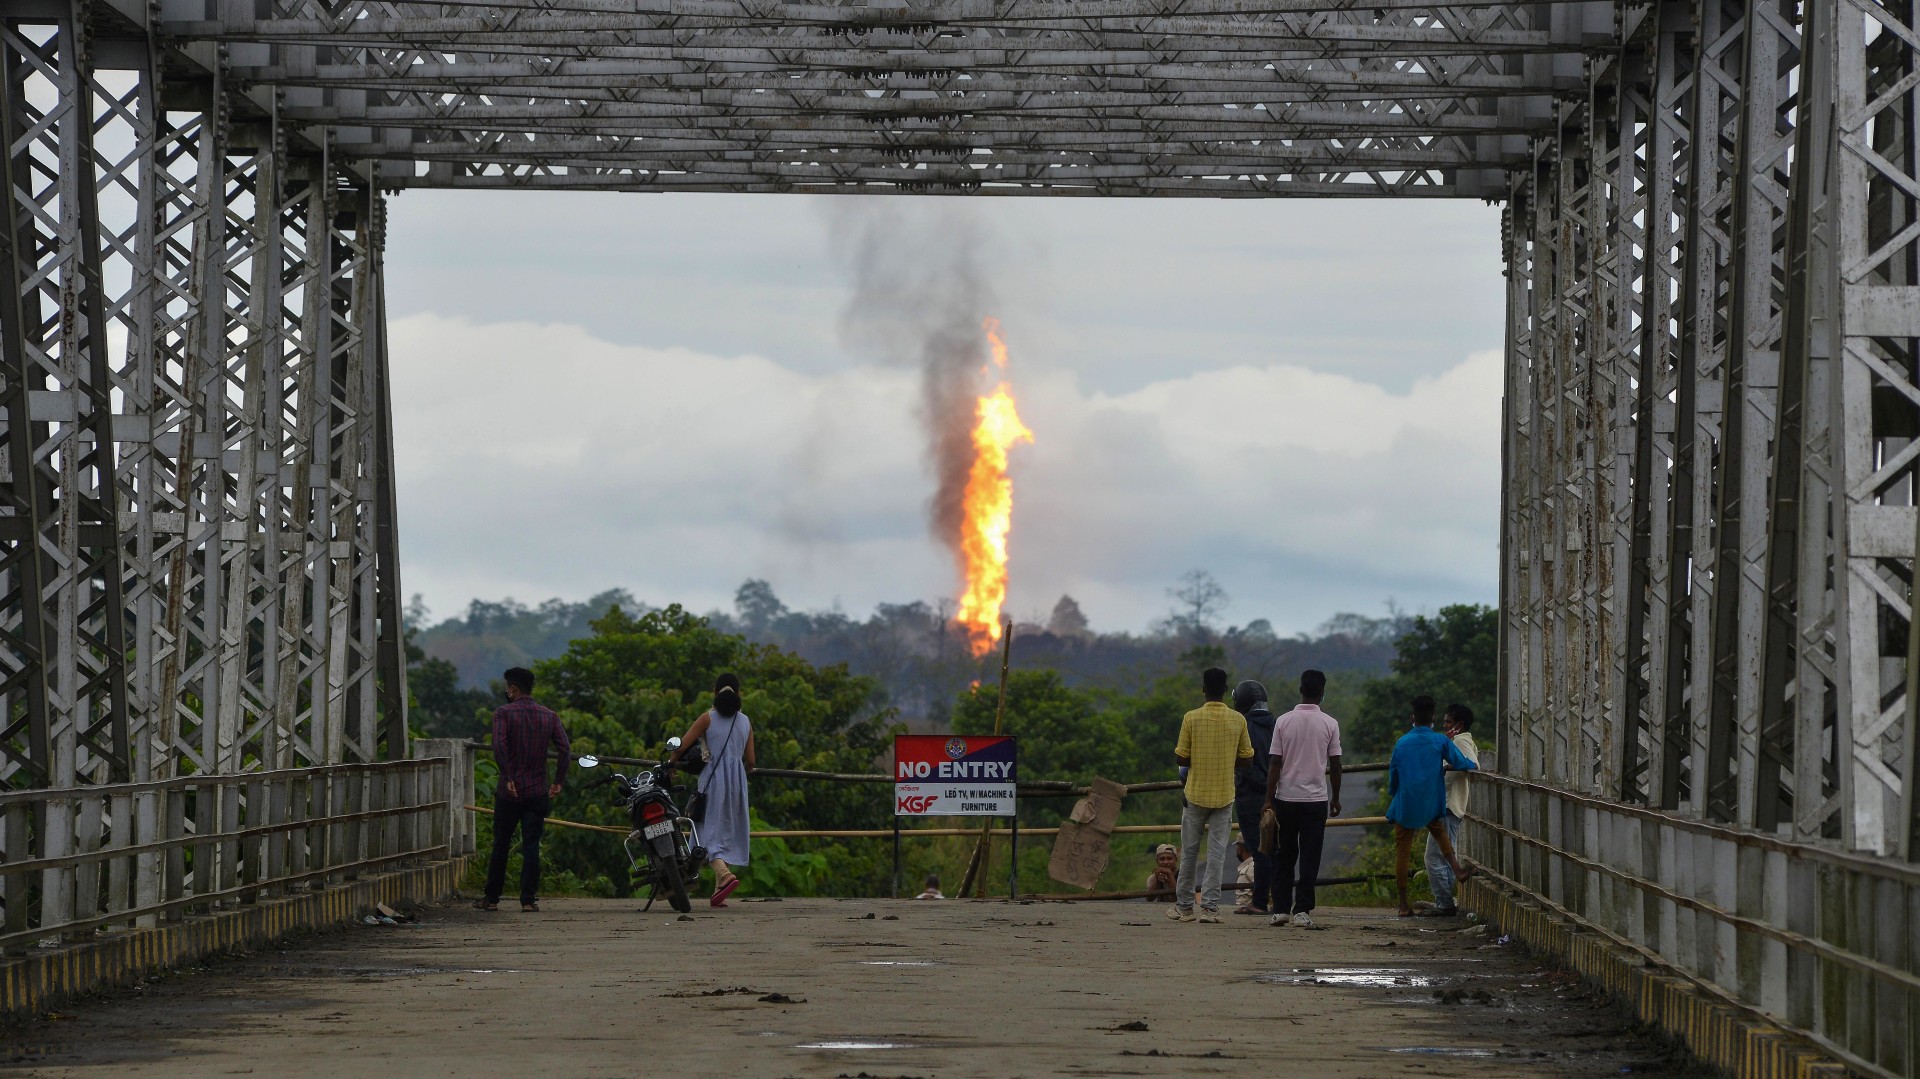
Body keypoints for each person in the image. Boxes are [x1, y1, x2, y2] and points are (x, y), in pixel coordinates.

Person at [481, 666, 571, 913]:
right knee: (531, 844)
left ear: (513, 689)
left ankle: (491, 898)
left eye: (507, 688)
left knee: (501, 843)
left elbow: (499, 745)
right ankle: (528, 900)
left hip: (509, 791)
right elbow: (565, 749)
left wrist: (508, 775)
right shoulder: (549, 716)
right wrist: (558, 781)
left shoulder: (503, 713)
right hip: (538, 790)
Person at [1169, 667, 1254, 924]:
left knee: (1190, 852)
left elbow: (1181, 757)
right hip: (1225, 794)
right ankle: (1209, 908)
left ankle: (1184, 907)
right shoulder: (1238, 720)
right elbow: (1247, 759)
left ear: (1203, 689)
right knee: (1217, 854)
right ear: (1226, 690)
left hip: (1195, 793)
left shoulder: (1191, 718)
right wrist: (1226, 759)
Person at [668, 676, 757, 907]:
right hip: (737, 782)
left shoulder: (708, 718)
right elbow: (751, 760)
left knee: (704, 828)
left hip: (712, 780)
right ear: (739, 694)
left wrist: (671, 764)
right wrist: (738, 774)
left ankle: (724, 874)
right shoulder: (745, 722)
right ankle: (720, 886)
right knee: (727, 827)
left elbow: (681, 745)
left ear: (714, 692)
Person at [1264, 669, 1342, 929]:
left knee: (1284, 855)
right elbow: (1335, 764)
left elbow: (1275, 762)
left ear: (1301, 690)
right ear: (1322, 693)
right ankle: (1302, 910)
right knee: (1310, 856)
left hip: (1285, 798)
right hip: (1315, 800)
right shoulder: (1330, 723)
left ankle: (1281, 909)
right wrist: (1336, 798)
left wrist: (1268, 799)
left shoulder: (1283, 721)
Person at [1387, 695, 1477, 917]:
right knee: (1440, 834)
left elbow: (1394, 775)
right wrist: (1472, 764)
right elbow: (1460, 762)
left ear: (1413, 718)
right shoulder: (1440, 741)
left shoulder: (1402, 742)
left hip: (1406, 802)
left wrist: (1394, 792)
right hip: (1431, 801)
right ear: (1433, 718)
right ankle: (1457, 870)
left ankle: (1403, 905)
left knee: (1402, 852)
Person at [1421, 703, 1481, 916]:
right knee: (1444, 855)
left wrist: (1447, 767)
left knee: (1434, 857)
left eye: (1448, 722)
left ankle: (1444, 903)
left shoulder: (1460, 741)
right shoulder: (1460, 740)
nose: (1444, 725)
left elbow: (1473, 764)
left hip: (1448, 805)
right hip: (1449, 805)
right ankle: (1445, 901)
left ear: (1459, 724)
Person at [1230, 680, 1277, 914]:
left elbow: (1245, 764)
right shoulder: (1276, 724)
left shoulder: (1244, 725)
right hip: (1277, 794)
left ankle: (1259, 901)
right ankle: (1279, 899)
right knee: (1275, 848)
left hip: (1251, 796)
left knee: (1259, 850)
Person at [1232, 840, 1256, 911]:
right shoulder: (1256, 865)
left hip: (1248, 910)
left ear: (1241, 848)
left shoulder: (1249, 868)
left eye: (1237, 846)